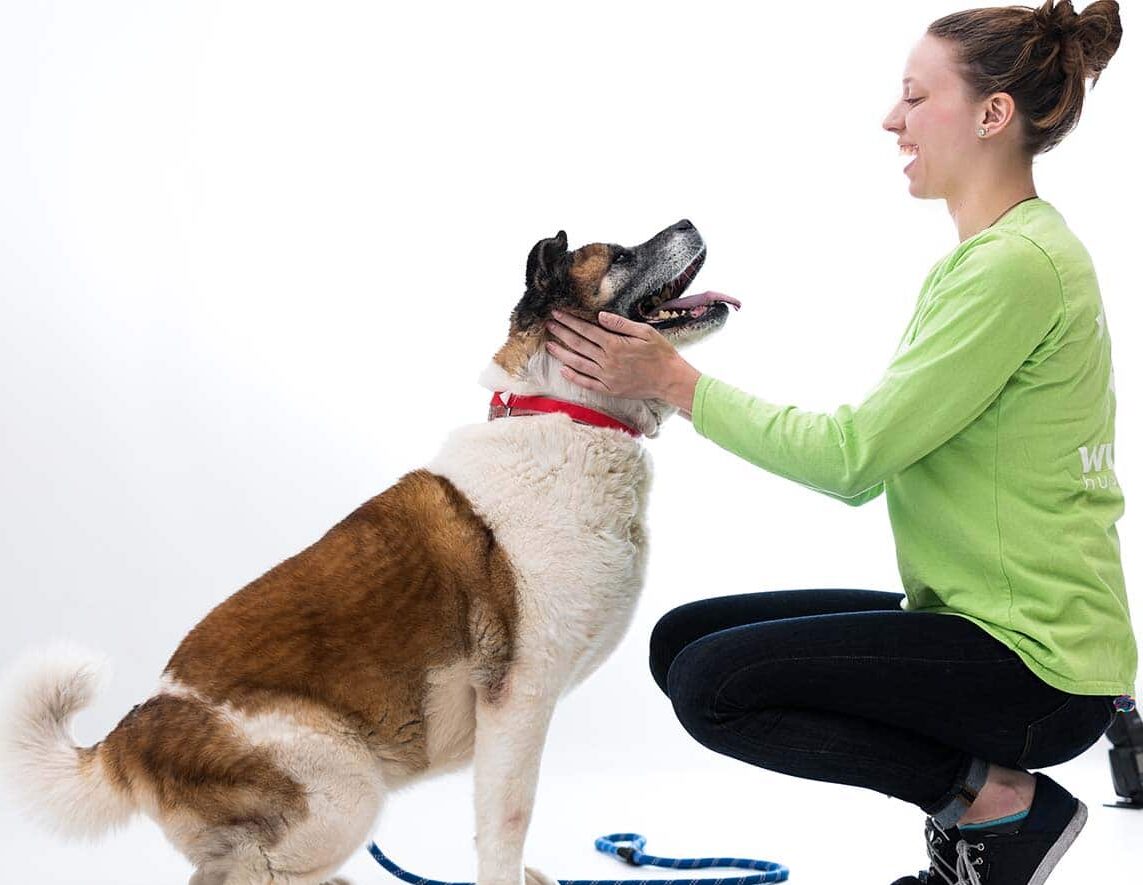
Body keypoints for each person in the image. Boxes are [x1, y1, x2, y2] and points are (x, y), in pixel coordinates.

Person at [543, 1, 1136, 882]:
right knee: (684, 644)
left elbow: (852, 458)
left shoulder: (1016, 268)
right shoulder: (998, 256)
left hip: (1032, 672)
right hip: (984, 626)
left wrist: (677, 384)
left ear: (990, 115)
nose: (891, 119)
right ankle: (986, 809)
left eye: (913, 96)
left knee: (715, 685)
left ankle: (996, 809)